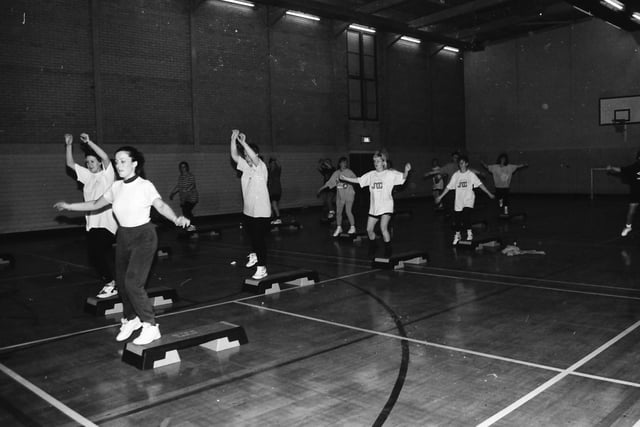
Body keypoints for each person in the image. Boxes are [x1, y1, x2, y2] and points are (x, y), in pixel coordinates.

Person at [55, 146, 190, 345]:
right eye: (116, 161)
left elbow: (160, 205)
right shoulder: (116, 187)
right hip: (124, 236)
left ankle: (151, 326)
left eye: (123, 161)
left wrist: (176, 218)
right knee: (121, 283)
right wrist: (69, 206)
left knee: (133, 282)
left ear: (134, 163)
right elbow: (94, 204)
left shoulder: (145, 185)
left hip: (144, 236)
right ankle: (130, 319)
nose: (118, 165)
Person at [64, 132, 118, 299]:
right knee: (94, 256)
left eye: (92, 161)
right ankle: (111, 281)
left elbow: (106, 157)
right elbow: (70, 163)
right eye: (87, 162)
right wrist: (68, 145)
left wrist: (89, 143)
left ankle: (111, 283)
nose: (89, 164)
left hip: (108, 223)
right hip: (92, 224)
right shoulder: (88, 177)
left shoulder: (107, 175)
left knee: (97, 253)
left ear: (100, 163)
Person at [340, 151, 411, 258]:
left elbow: (403, 178)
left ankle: (388, 249)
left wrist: (406, 171)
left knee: (383, 228)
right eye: (374, 161)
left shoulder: (390, 174)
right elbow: (359, 180)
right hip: (374, 207)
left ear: (383, 162)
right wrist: (346, 179)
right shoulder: (371, 175)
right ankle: (374, 246)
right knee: (369, 229)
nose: (376, 163)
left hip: (386, 206)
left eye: (378, 161)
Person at [230, 129, 271, 279]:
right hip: (248, 211)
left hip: (261, 211)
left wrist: (243, 142)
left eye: (248, 155)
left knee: (259, 239)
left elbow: (253, 157)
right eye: (245, 156)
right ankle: (254, 255)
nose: (246, 158)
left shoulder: (261, 167)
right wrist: (233, 139)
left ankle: (262, 267)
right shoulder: (246, 167)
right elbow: (234, 156)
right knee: (252, 237)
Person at [436, 155, 495, 245]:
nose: (461, 164)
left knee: (466, 215)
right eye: (460, 163)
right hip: (459, 200)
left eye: (462, 162)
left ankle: (469, 233)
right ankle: (457, 234)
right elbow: (448, 187)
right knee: (457, 219)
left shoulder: (470, 175)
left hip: (468, 199)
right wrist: (440, 197)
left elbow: (480, 184)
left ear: (466, 164)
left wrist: (489, 193)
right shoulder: (456, 175)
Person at [317, 157, 357, 237]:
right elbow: (329, 182)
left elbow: (356, 179)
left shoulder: (349, 172)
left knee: (348, 211)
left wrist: (349, 181)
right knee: (338, 213)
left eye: (345, 163)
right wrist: (321, 189)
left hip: (349, 195)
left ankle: (353, 227)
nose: (344, 164)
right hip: (340, 196)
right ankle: (339, 228)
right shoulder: (336, 173)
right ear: (339, 164)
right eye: (342, 163)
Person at [607, 150, 640, 237]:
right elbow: (621, 169)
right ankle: (628, 227)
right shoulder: (634, 167)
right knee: (631, 212)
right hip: (635, 194)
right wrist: (611, 168)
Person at [169, 161, 199, 232]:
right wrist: (172, 193)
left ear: (187, 168)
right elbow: (178, 186)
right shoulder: (181, 177)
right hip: (185, 198)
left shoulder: (190, 176)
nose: (183, 168)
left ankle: (193, 226)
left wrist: (186, 190)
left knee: (186, 211)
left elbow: (193, 185)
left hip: (192, 198)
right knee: (185, 211)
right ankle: (188, 225)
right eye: (181, 167)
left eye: (184, 167)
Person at [267, 157, 282, 225]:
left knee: (274, 204)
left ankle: (279, 219)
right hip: (270, 191)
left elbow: (279, 165)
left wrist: (275, 159)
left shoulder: (277, 170)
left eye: (274, 163)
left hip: (276, 190)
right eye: (272, 163)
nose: (273, 164)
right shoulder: (268, 171)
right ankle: (273, 220)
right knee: (270, 206)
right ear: (270, 164)